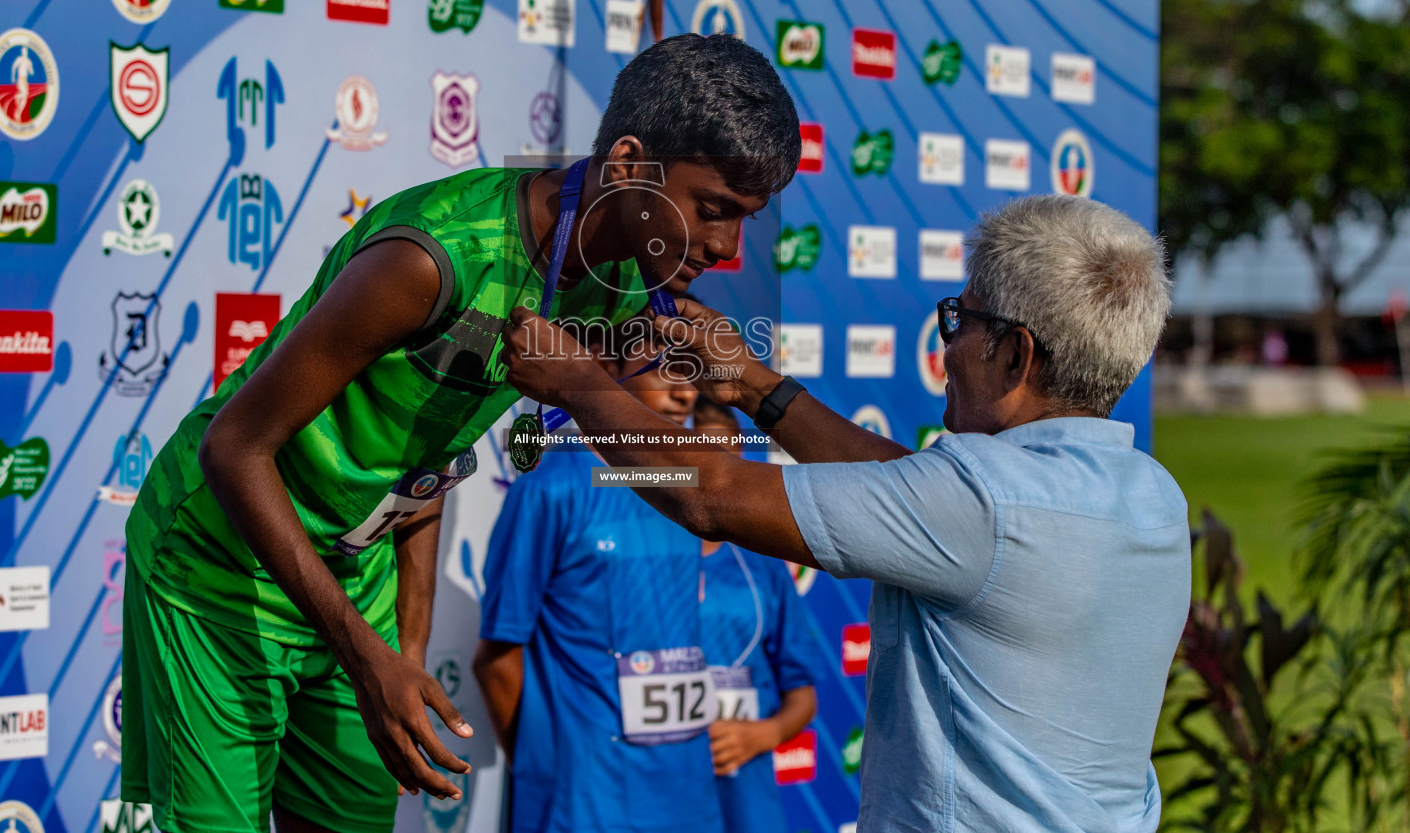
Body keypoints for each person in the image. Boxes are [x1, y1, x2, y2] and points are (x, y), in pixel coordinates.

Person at [120, 33, 801, 833]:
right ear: (625, 164)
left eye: (745, 219)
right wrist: (368, 657)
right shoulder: (433, 257)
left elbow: (429, 447)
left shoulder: (624, 290)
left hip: (350, 574)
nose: (726, 248)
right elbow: (234, 447)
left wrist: (404, 647)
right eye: (712, 210)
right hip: (220, 563)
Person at [499, 194, 1188, 833]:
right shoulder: (1151, 496)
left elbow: (708, 494)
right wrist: (753, 384)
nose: (945, 348)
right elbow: (909, 488)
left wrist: (578, 383)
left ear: (1014, 352)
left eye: (959, 320)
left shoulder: (981, 503)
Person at [474, 327, 721, 833]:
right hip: (583, 801)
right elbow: (497, 659)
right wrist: (550, 769)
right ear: (604, 373)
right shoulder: (551, 487)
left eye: (690, 371)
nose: (685, 391)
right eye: (663, 369)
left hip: (688, 793)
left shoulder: (688, 487)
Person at [692, 399, 824, 833]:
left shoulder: (764, 564)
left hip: (746, 803)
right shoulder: (637, 554)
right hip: (656, 791)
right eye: (702, 457)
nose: (717, 476)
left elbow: (802, 698)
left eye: (730, 461)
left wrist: (759, 736)